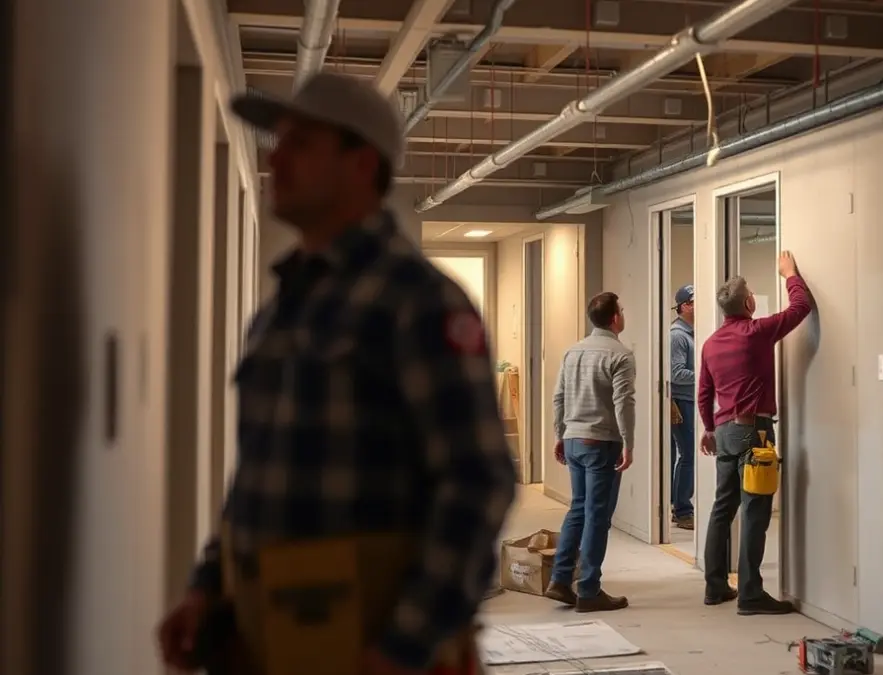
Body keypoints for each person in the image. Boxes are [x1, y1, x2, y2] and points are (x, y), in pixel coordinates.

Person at [155, 73, 517, 675]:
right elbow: (257, 477)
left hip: (368, 643)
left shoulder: (418, 301)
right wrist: (204, 586)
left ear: (360, 162)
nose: (276, 157)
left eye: (300, 142)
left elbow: (479, 484)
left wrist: (403, 646)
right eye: (278, 141)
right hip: (266, 633)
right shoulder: (281, 307)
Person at [697, 251, 811, 615]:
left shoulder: (711, 343)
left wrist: (709, 428)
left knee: (722, 508)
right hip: (755, 433)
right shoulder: (757, 332)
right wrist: (790, 274)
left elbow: (704, 393)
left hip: (726, 430)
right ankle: (749, 594)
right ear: (749, 303)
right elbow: (800, 308)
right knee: (755, 512)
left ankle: (715, 587)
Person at [545, 292, 636, 613]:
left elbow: (559, 397)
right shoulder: (621, 355)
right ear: (614, 318)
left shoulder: (573, 352)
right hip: (601, 442)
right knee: (597, 516)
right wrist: (629, 442)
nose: (623, 314)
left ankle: (559, 579)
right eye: (621, 310)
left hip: (573, 439)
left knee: (578, 509)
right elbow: (623, 403)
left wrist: (560, 434)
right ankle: (588, 589)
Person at [669, 284, 697, 530]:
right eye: (695, 301)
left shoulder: (690, 334)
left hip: (687, 400)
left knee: (683, 456)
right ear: (685, 306)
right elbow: (676, 374)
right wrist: (706, 375)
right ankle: (683, 510)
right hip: (681, 401)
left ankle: (676, 504)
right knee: (688, 456)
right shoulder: (678, 335)